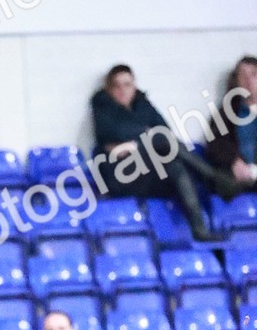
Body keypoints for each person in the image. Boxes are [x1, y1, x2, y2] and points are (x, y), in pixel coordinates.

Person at [91, 64, 243, 242]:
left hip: (147, 173)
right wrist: (146, 136)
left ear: (134, 86)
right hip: (120, 177)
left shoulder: (143, 105)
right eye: (117, 86)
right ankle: (213, 178)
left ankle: (199, 230)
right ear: (109, 89)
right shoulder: (102, 107)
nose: (122, 90)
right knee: (160, 141)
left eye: (127, 85)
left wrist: (133, 144)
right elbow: (111, 133)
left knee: (174, 165)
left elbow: (165, 130)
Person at [205, 55, 257, 191]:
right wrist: (234, 162)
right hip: (238, 175)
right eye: (243, 76)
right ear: (237, 81)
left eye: (253, 74)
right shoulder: (227, 112)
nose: (249, 81)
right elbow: (215, 142)